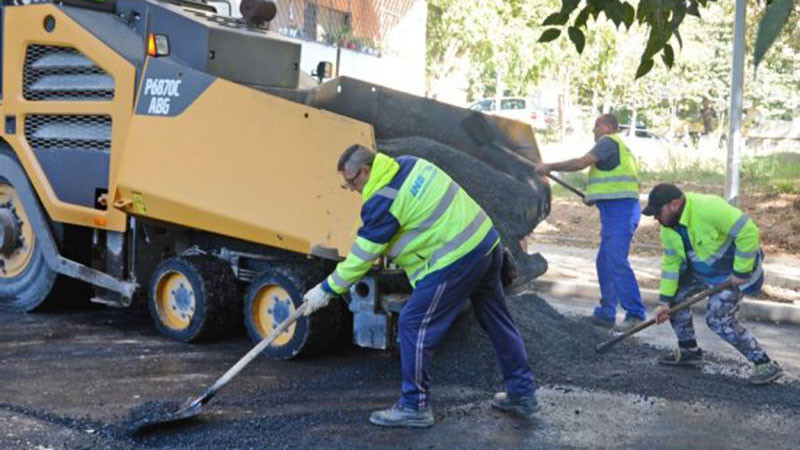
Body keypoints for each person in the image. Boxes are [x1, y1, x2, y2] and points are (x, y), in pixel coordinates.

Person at [302, 144, 537, 428]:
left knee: (413, 323)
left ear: (366, 170)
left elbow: (360, 260)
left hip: (457, 259)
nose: (350, 188)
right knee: (497, 320)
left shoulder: (381, 202)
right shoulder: (410, 163)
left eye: (351, 182)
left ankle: (414, 406)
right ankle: (522, 393)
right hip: (486, 243)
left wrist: (324, 291)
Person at [643, 183, 783, 385]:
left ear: (674, 205)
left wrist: (741, 270)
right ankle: (689, 350)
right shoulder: (668, 229)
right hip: (700, 273)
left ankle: (764, 364)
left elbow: (749, 231)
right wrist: (664, 302)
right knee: (673, 301)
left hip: (731, 275)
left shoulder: (708, 208)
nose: (655, 218)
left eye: (658, 212)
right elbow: (671, 265)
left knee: (718, 320)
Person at [535, 114, 646, 332]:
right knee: (603, 263)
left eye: (595, 126)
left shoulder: (608, 141)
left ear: (606, 127)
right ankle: (606, 314)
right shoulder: (619, 148)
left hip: (620, 212)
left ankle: (635, 314)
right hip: (615, 211)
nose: (593, 131)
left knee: (616, 262)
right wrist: (594, 196)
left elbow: (581, 163)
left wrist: (549, 166)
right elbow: (610, 182)